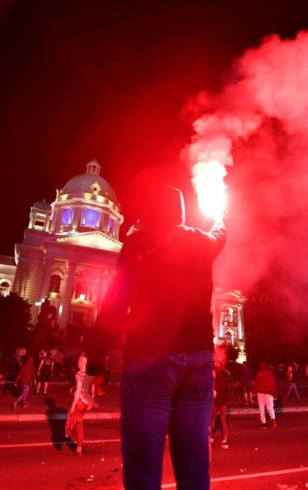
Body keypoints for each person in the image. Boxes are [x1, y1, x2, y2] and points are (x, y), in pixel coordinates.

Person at [89, 184, 226, 489]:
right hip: (198, 365)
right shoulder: (201, 241)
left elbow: (116, 301)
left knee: (144, 472)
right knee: (194, 471)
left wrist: (97, 358)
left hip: (150, 361)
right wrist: (221, 213)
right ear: (179, 211)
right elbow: (220, 234)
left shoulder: (138, 243)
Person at [66, 354, 93, 456]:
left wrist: (73, 405)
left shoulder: (78, 374)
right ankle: (83, 443)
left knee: (78, 425)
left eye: (78, 362)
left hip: (79, 404)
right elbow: (91, 388)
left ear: (80, 363)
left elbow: (78, 390)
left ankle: (79, 449)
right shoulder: (88, 374)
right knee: (78, 422)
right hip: (86, 404)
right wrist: (90, 401)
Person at [210, 347, 231, 449]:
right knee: (215, 419)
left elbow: (223, 386)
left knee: (221, 420)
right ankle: (219, 438)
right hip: (217, 398)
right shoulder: (217, 372)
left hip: (220, 398)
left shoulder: (223, 373)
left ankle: (224, 439)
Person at [253, 361, 278, 429]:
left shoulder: (260, 373)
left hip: (260, 393)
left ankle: (264, 424)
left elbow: (256, 383)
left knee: (262, 408)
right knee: (270, 408)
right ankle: (273, 420)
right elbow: (273, 385)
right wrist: (275, 395)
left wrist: (254, 392)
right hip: (269, 393)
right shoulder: (271, 374)